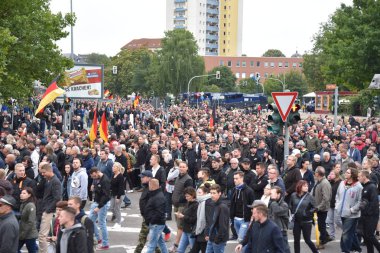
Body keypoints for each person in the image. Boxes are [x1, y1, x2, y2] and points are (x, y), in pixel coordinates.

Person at [335, 167, 362, 253]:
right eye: (346, 172)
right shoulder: (342, 183)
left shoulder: (359, 186)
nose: (345, 174)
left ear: (352, 175)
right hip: (341, 212)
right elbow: (338, 195)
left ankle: (345, 250)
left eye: (348, 173)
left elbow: (360, 201)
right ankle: (358, 248)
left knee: (346, 233)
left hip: (352, 215)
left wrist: (352, 210)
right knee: (351, 232)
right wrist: (337, 205)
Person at [38, 163, 62, 253]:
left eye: (44, 172)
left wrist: (48, 210)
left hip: (49, 211)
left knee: (42, 236)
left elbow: (57, 198)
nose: (42, 174)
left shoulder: (55, 181)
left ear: (49, 171)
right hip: (47, 209)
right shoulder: (48, 180)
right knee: (43, 235)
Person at [289, 180, 319, 253]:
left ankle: (316, 251)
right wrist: (292, 213)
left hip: (306, 221)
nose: (307, 187)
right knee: (296, 240)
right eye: (305, 186)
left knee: (307, 240)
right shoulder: (293, 195)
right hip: (296, 221)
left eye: (307, 186)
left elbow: (315, 207)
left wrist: (307, 213)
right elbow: (290, 205)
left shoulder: (309, 196)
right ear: (300, 186)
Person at [170, 161, 193, 252]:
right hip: (176, 205)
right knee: (180, 226)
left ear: (187, 168)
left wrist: (179, 199)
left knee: (180, 226)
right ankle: (184, 243)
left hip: (182, 206)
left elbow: (189, 193)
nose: (182, 168)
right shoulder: (178, 177)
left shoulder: (188, 179)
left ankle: (176, 245)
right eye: (180, 167)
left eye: (184, 167)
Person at [89, 167, 111, 250]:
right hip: (96, 202)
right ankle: (98, 239)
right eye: (92, 177)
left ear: (97, 172)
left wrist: (99, 207)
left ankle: (105, 244)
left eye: (94, 176)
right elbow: (96, 185)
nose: (93, 178)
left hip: (103, 204)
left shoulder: (105, 180)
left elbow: (106, 196)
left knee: (102, 223)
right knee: (90, 220)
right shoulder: (96, 178)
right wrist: (93, 186)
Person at [358, 170, 380, 253]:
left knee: (370, 235)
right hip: (365, 215)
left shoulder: (372, 187)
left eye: (359, 176)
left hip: (372, 216)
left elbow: (374, 203)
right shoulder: (365, 187)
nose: (358, 177)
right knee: (366, 236)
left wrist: (367, 212)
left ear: (364, 177)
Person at [229, 171, 254, 243]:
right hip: (235, 219)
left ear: (242, 178)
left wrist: (251, 219)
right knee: (242, 241)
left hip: (245, 220)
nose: (234, 180)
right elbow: (232, 204)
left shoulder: (249, 191)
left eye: (237, 178)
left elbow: (252, 206)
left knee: (241, 240)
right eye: (234, 178)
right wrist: (231, 217)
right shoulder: (234, 190)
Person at [145, 178, 168, 253]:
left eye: (149, 185)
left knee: (151, 245)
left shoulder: (158, 197)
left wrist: (151, 221)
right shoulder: (156, 194)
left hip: (156, 224)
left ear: (152, 186)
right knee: (161, 242)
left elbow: (159, 213)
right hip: (157, 223)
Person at [312, 166, 332, 249]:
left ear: (317, 173)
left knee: (321, 225)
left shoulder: (325, 183)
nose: (314, 174)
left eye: (315, 172)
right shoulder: (319, 181)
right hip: (317, 207)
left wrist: (318, 207)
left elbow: (326, 198)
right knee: (318, 224)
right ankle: (326, 236)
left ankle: (322, 241)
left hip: (322, 208)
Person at [190, 184, 214, 253]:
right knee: (194, 250)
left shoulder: (208, 202)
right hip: (200, 232)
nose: (198, 194)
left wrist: (207, 233)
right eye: (197, 192)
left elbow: (209, 220)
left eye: (200, 193)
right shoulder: (201, 202)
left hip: (203, 233)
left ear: (205, 193)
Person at [206, 184, 229, 253]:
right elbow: (211, 221)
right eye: (211, 193)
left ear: (219, 193)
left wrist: (217, 240)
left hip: (218, 240)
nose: (212, 195)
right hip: (211, 237)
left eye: (214, 193)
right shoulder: (213, 203)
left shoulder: (222, 207)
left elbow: (223, 226)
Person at [268, 186, 290, 253]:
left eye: (273, 193)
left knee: (285, 249)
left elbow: (277, 211)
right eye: (270, 193)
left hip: (281, 231)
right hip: (272, 230)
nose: (271, 194)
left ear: (278, 194)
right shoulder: (272, 203)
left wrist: (273, 201)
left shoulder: (284, 205)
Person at [176, 187, 198, 253]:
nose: (186, 198)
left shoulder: (196, 205)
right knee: (180, 249)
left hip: (191, 231)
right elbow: (185, 213)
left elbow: (194, 219)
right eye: (185, 196)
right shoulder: (188, 203)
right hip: (185, 230)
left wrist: (183, 216)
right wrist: (180, 214)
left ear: (192, 195)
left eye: (187, 196)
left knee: (194, 250)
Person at [18, 187, 38, 253]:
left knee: (32, 251)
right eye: (21, 193)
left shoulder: (31, 205)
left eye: (24, 193)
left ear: (29, 195)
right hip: (22, 233)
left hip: (30, 235)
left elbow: (31, 222)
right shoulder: (23, 204)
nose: (21, 194)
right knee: (15, 249)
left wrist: (23, 234)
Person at [326, 170, 342, 240]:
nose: (330, 175)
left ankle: (348, 231)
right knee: (330, 221)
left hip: (337, 205)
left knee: (337, 221)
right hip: (330, 204)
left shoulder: (340, 183)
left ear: (336, 175)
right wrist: (327, 180)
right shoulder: (329, 182)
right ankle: (332, 235)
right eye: (330, 173)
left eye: (332, 174)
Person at [110, 162, 125, 228]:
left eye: (114, 167)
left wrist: (118, 197)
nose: (112, 168)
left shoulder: (120, 176)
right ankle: (119, 218)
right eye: (113, 166)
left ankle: (118, 223)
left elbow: (121, 187)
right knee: (111, 208)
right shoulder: (113, 175)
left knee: (117, 208)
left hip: (119, 195)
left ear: (118, 168)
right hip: (113, 194)